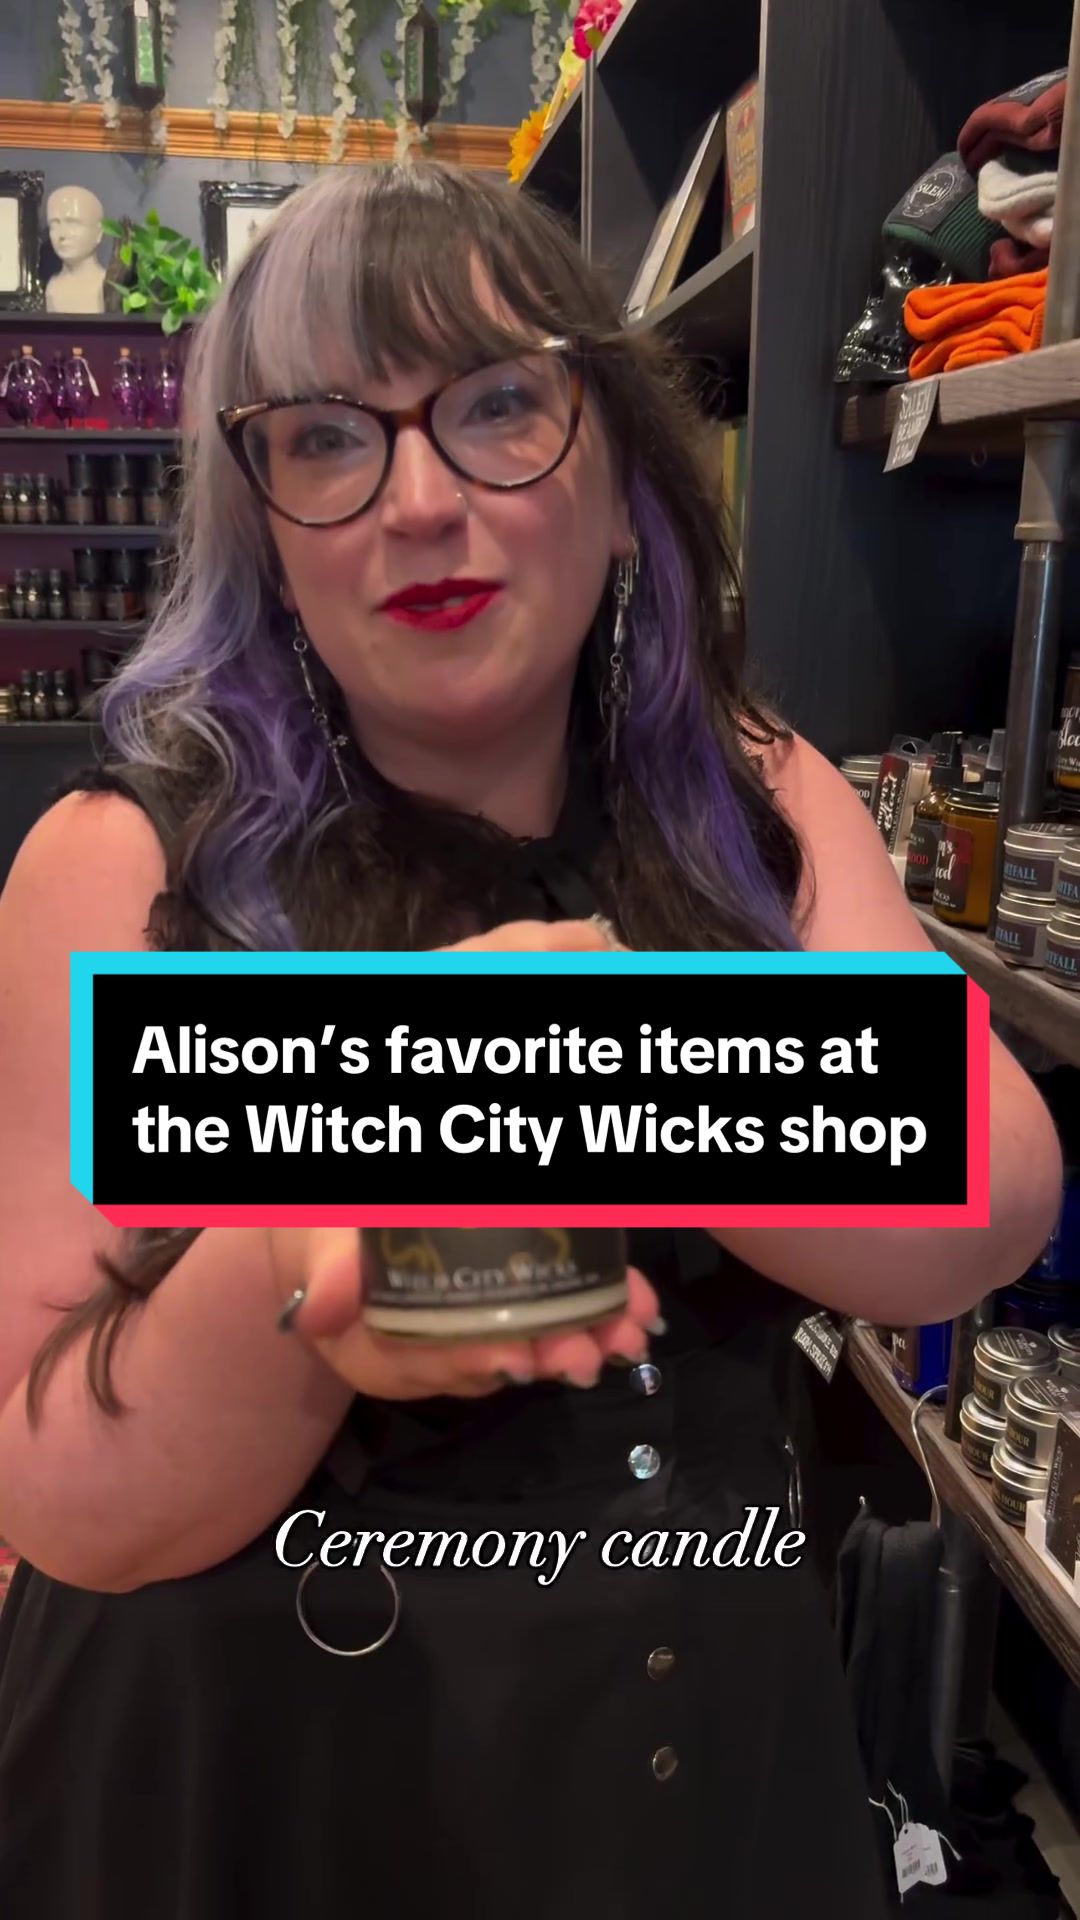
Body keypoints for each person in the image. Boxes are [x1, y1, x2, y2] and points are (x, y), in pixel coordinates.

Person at [0, 163, 1061, 1920]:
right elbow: (64, 1493)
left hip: (699, 1797)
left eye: (498, 406)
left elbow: (988, 1206)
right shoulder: (121, 868)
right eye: (327, 438)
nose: (421, 502)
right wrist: (323, 1223)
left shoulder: (759, 799)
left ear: (627, 480)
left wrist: (577, 1062)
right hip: (253, 1813)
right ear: (265, 527)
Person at [44, 185, 108, 314]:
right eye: (54, 225)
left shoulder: (108, 286)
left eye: (73, 224)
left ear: (99, 232)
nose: (62, 235)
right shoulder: (51, 288)